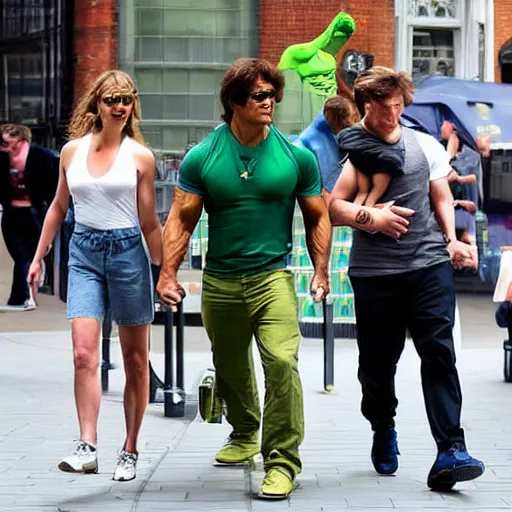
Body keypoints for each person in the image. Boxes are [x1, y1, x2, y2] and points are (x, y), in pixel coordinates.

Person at [157, 58, 331, 500]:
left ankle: (282, 461)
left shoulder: (297, 156)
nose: (270, 101)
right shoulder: (203, 157)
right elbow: (180, 219)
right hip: (220, 280)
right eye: (259, 95)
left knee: (281, 362)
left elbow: (317, 216)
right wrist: (167, 274)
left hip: (273, 277)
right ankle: (244, 434)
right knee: (231, 366)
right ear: (234, 101)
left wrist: (321, 270)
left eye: (273, 94)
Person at [329, 66, 485, 491]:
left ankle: (451, 448)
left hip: (427, 264)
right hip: (375, 274)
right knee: (378, 366)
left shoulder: (424, 145)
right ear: (365, 106)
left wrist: (453, 239)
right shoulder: (354, 149)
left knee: (439, 352)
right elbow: (334, 207)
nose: (393, 115)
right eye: (384, 109)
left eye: (398, 106)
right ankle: (383, 425)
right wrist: (372, 217)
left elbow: (441, 195)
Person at [27, 70, 162, 482]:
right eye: (111, 99)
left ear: (132, 105)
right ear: (97, 104)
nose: (119, 106)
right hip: (83, 253)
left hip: (127, 256)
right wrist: (38, 255)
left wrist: (164, 272)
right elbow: (58, 206)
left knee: (135, 361)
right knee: (84, 354)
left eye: (126, 99)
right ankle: (87, 445)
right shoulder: (71, 152)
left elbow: (149, 222)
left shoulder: (140, 156)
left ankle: (130, 448)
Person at [0, 124, 59, 311]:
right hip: (11, 212)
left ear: (19, 140)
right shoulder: (3, 159)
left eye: (5, 142)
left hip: (33, 212)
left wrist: (52, 208)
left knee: (30, 256)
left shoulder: (39, 156)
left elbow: (54, 182)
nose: (2, 146)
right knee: (21, 256)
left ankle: (24, 296)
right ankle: (23, 296)